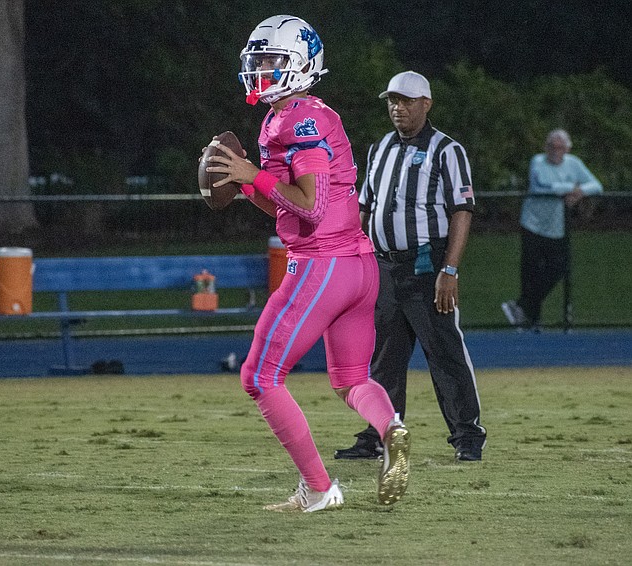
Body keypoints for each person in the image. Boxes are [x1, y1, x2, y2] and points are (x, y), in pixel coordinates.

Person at [204, 15, 410, 511]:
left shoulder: (300, 118)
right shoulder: (293, 114)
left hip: (324, 266)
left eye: (272, 60)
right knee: (352, 380)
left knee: (259, 376)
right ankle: (392, 429)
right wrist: (247, 187)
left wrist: (254, 173)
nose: (261, 70)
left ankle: (319, 489)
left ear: (301, 64)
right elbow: (288, 205)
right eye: (258, 61)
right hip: (357, 266)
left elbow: (311, 204)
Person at [334, 71, 487, 462]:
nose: (397, 108)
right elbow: (365, 206)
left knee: (444, 351)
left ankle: (467, 436)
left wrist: (449, 270)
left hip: (426, 265)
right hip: (383, 266)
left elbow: (462, 211)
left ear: (426, 104)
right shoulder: (380, 147)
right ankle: (379, 434)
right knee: (384, 356)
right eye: (391, 101)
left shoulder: (446, 150)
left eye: (405, 101)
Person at [501, 129, 603, 330]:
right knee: (530, 271)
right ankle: (532, 320)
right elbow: (542, 186)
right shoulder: (538, 162)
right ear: (546, 147)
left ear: (567, 149)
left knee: (557, 268)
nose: (555, 151)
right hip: (533, 224)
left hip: (556, 227)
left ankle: (522, 307)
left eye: (560, 148)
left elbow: (596, 185)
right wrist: (570, 188)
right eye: (552, 147)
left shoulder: (573, 163)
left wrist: (580, 191)